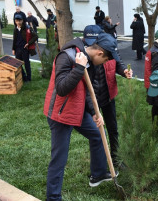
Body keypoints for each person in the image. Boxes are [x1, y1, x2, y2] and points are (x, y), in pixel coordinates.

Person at [43, 32, 121, 200]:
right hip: (61, 114)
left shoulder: (88, 60)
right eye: (106, 60)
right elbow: (62, 89)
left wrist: (93, 112)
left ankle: (98, 174)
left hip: (77, 110)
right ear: (99, 53)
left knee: (99, 134)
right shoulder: (68, 56)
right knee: (59, 158)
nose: (105, 63)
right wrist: (79, 68)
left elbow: (85, 90)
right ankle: (53, 197)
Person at [89, 25, 133, 167]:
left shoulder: (111, 49)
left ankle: (116, 159)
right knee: (96, 132)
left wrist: (123, 71)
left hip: (108, 96)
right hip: (93, 99)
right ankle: (100, 163)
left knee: (113, 128)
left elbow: (118, 62)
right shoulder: (90, 56)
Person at [12, 14, 38, 82]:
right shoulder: (15, 29)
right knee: (17, 64)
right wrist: (13, 49)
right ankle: (24, 77)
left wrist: (28, 43)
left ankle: (28, 78)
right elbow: (14, 39)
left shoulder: (27, 28)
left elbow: (35, 36)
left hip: (24, 49)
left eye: (19, 20)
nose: (18, 22)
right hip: (17, 49)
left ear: (22, 21)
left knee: (26, 63)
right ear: (15, 21)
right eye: (17, 21)